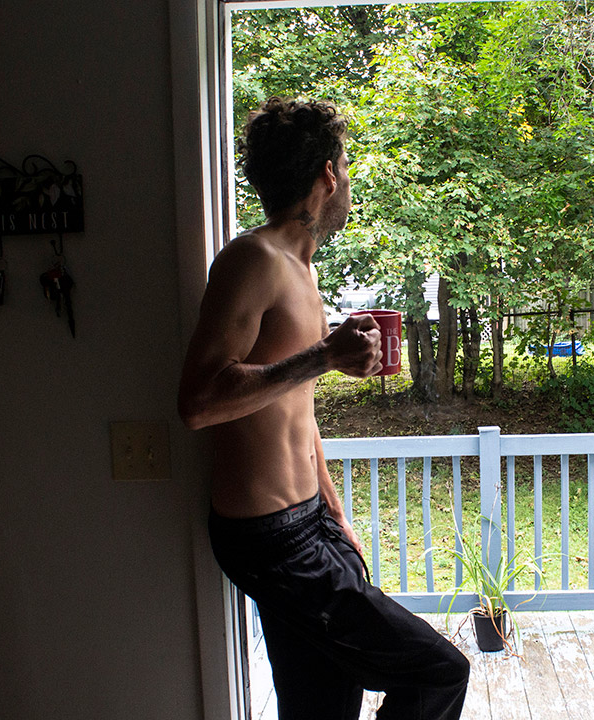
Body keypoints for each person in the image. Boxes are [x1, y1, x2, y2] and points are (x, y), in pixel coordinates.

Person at [178, 98, 469, 720]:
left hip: (309, 523)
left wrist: (335, 515)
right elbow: (198, 403)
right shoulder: (250, 260)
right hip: (267, 537)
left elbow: (297, 413)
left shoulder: (302, 272)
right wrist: (323, 357)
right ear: (327, 176)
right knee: (440, 673)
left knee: (323, 705)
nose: (348, 182)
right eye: (346, 165)